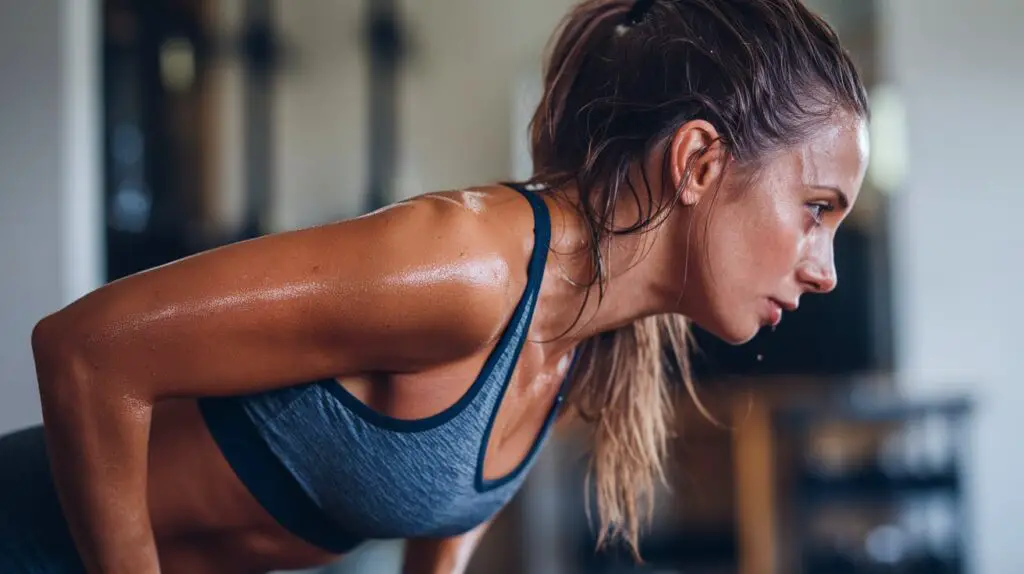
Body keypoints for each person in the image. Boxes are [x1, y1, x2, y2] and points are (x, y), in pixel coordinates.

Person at [0, 0, 870, 572]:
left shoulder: (585, 334)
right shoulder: (470, 266)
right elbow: (86, 350)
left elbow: (442, 532)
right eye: (815, 207)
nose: (825, 268)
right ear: (699, 160)